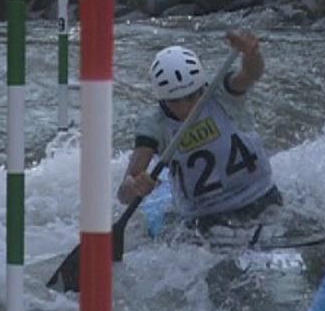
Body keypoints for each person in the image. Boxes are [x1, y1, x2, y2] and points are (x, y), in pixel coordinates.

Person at [117, 30, 283, 232]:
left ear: (202, 87)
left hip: (261, 197)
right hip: (205, 217)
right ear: (162, 99)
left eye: (191, 96)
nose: (185, 107)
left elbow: (251, 74)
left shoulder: (222, 95)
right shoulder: (155, 125)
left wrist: (252, 53)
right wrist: (134, 186)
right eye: (175, 101)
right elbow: (125, 193)